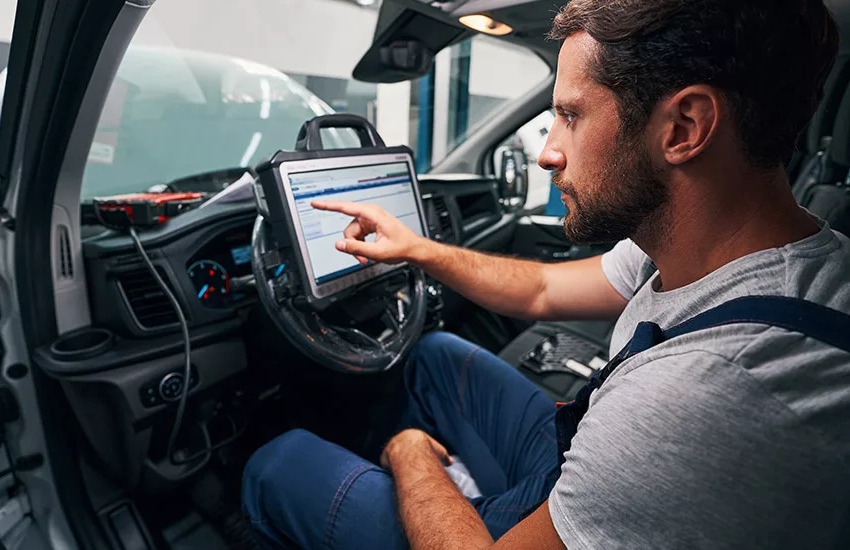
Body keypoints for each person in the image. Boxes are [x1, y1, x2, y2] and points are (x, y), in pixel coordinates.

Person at [243, 0, 850, 548]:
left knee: (277, 463)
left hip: (593, 480)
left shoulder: (710, 392)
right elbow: (540, 289)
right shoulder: (720, 242)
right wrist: (417, 249)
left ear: (684, 128)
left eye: (570, 115)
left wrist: (412, 460)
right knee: (433, 355)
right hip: (585, 448)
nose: (547, 150)